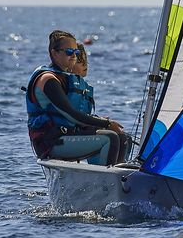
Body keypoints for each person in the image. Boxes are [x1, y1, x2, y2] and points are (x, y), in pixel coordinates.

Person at [25, 30, 126, 165]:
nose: (74, 56)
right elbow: (71, 114)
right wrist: (106, 123)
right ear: (54, 53)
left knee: (122, 137)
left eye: (76, 52)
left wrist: (103, 122)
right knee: (111, 138)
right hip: (52, 142)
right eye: (68, 52)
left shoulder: (65, 77)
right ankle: (107, 182)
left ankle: (116, 179)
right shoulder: (48, 80)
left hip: (69, 135)